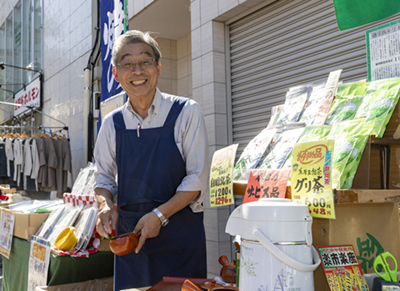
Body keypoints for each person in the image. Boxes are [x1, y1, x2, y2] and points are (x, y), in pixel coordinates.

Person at [94, 30, 209, 290]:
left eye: (145, 61)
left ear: (158, 66)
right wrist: (104, 205)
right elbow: (103, 177)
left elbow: (197, 178)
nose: (137, 71)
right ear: (116, 73)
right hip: (131, 245)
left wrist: (159, 215)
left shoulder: (186, 112)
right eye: (127, 64)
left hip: (181, 242)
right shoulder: (112, 124)